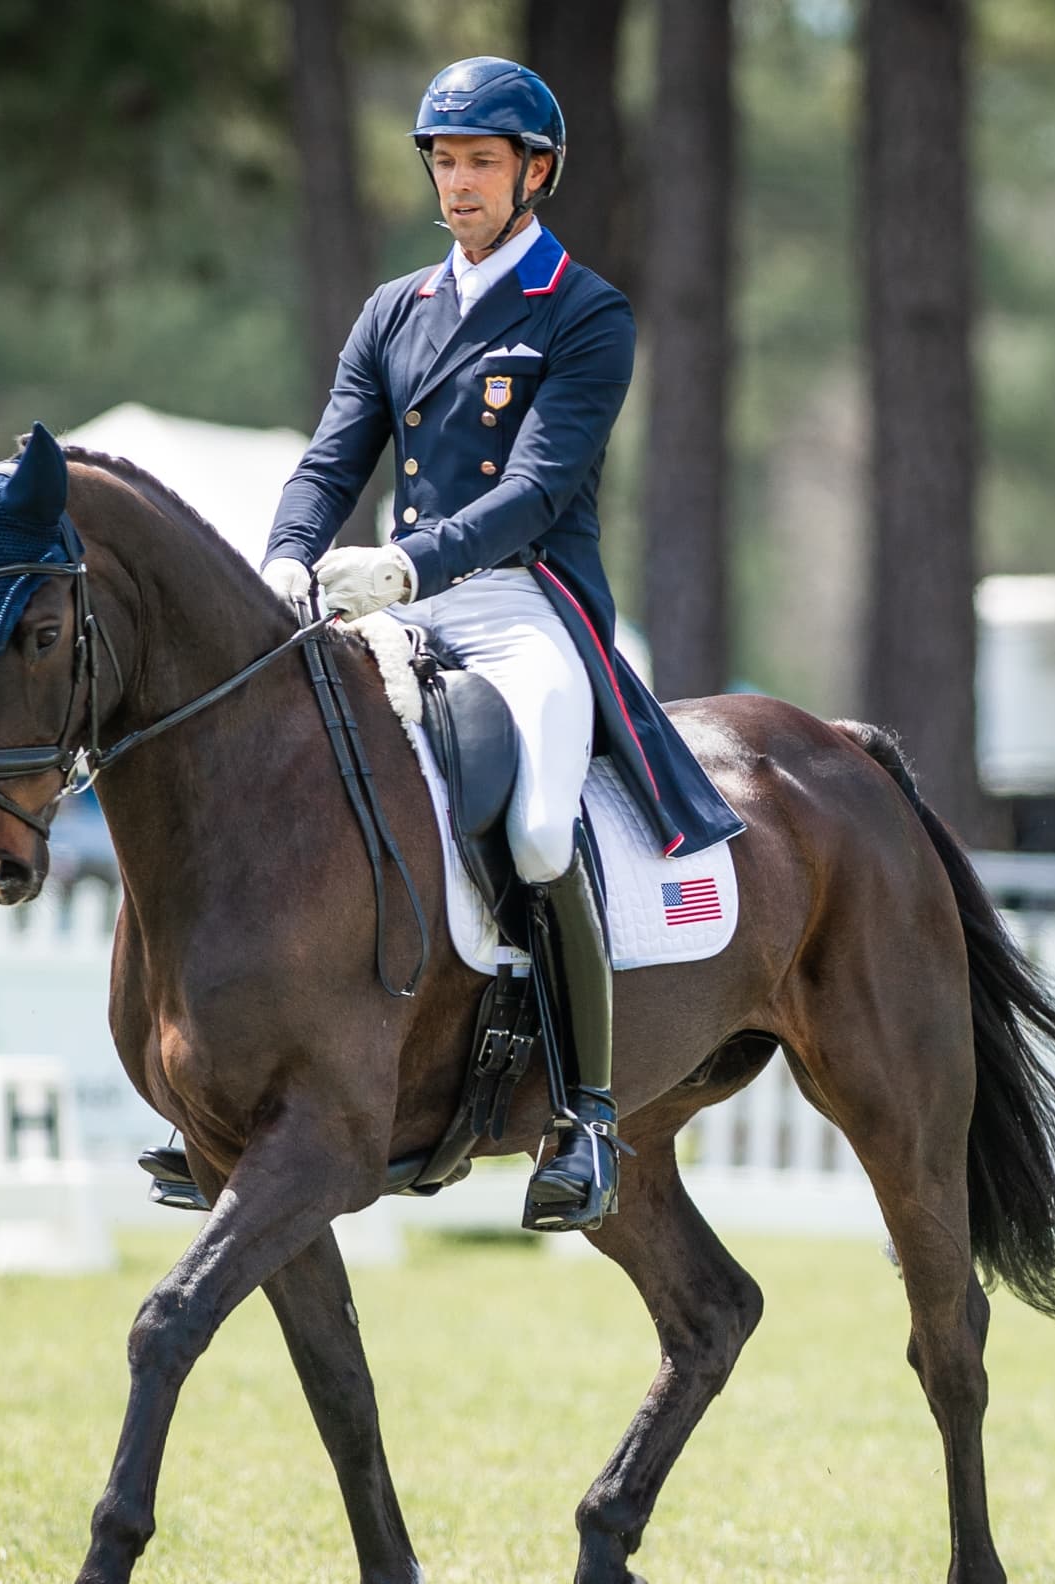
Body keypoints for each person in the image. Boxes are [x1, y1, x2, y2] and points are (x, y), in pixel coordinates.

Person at [261, 57, 744, 1234]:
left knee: (534, 823)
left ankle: (583, 1112)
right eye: (445, 161)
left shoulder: (585, 311)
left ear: (536, 172)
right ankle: (234, 1084)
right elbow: (334, 460)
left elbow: (537, 489)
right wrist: (283, 555)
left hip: (524, 604)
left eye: (481, 162)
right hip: (389, 599)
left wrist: (412, 565)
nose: (459, 183)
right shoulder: (395, 311)